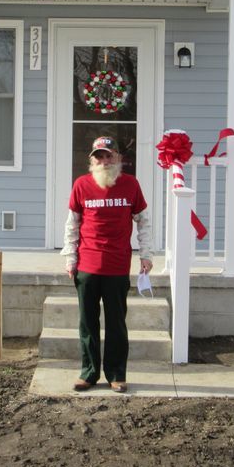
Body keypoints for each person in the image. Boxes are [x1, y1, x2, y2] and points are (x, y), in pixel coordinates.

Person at [61, 135, 153, 393]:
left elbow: (144, 222)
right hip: (87, 266)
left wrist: (146, 255)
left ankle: (116, 374)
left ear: (118, 158)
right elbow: (72, 225)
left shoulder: (131, 185)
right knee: (88, 323)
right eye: (98, 156)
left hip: (117, 265)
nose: (103, 160)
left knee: (116, 323)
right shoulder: (81, 185)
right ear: (92, 160)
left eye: (108, 155)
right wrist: (70, 258)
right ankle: (88, 373)